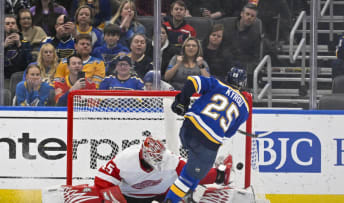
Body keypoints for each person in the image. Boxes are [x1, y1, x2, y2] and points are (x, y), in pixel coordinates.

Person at [164, 67, 250, 202]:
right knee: (189, 176)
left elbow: (193, 81)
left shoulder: (217, 84)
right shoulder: (245, 108)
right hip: (207, 141)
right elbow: (227, 134)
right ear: (243, 83)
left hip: (188, 128)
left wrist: (182, 100)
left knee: (195, 168)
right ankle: (171, 200)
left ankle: (188, 197)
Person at [94, 136, 230, 203]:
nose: (161, 162)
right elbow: (101, 182)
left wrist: (220, 175)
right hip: (128, 198)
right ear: (145, 157)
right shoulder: (125, 159)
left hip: (162, 197)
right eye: (157, 159)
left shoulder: (170, 159)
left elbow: (193, 173)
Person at [220, 3, 261, 88]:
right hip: (223, 62)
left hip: (242, 65)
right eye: (247, 14)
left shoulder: (255, 34)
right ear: (241, 14)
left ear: (255, 18)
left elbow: (255, 56)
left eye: (252, 16)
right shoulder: (226, 24)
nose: (249, 17)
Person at [4, 15, 33, 79]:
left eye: (13, 23)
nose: (10, 25)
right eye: (7, 23)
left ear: (17, 26)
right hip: (3, 78)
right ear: (3, 27)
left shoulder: (25, 43)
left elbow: (28, 62)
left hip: (20, 77)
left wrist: (20, 45)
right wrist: (4, 47)